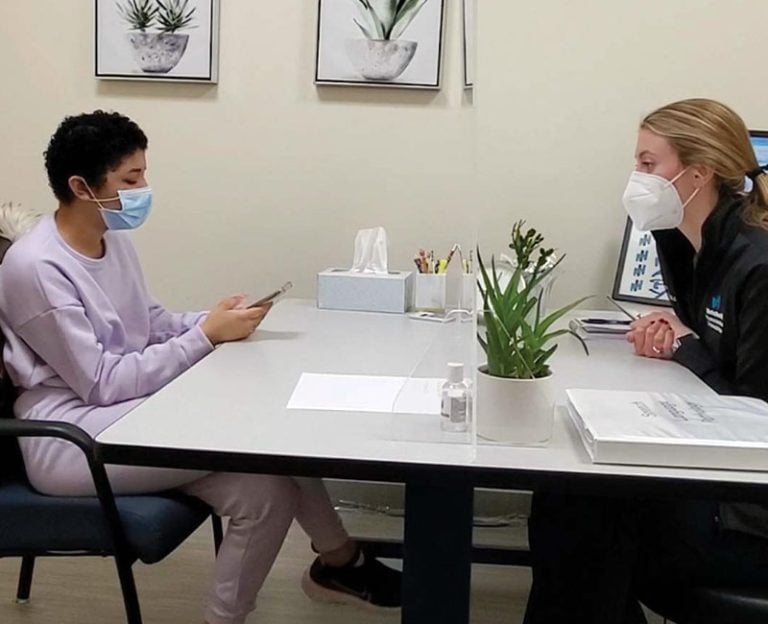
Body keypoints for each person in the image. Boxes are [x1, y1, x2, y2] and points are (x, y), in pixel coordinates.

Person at [0, 111, 400, 624]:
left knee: (265, 492)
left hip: (125, 412)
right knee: (262, 434)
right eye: (131, 179)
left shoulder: (111, 237)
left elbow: (150, 322)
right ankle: (344, 563)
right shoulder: (36, 267)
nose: (144, 188)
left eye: (144, 173)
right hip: (69, 436)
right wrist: (205, 337)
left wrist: (216, 319)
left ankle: (287, 589)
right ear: (81, 186)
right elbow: (100, 381)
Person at [523, 99, 768, 624]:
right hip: (721, 473)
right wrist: (678, 339)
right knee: (565, 499)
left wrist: (684, 346)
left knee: (581, 516)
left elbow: (756, 411)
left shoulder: (758, 262)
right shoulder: (691, 244)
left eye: (649, 164)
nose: (637, 178)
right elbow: (704, 338)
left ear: (699, 174)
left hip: (749, 513)